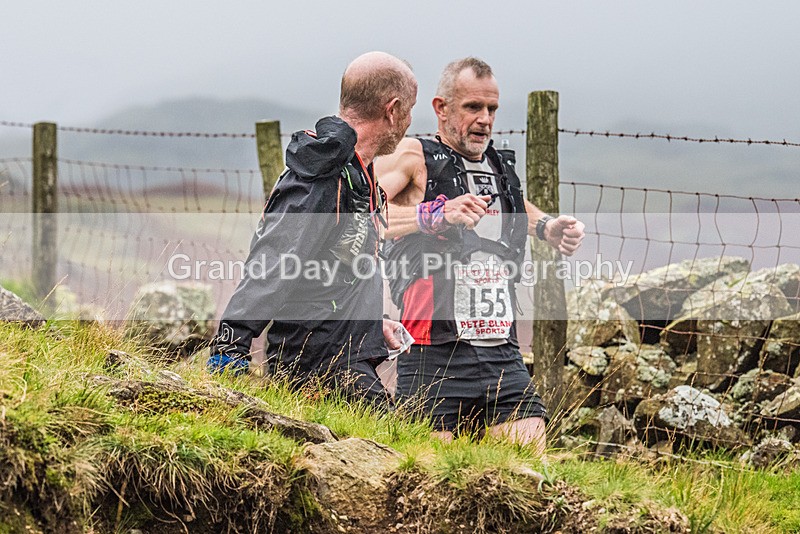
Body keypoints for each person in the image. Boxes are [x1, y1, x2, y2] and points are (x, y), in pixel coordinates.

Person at [375, 57, 584, 450]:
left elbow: (511, 203)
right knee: (430, 477)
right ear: (441, 108)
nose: (485, 120)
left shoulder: (497, 165)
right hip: (433, 353)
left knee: (528, 472)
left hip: (501, 352)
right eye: (473, 107)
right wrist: (434, 213)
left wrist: (546, 226)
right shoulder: (413, 156)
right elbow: (363, 213)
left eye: (492, 109)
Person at [207, 51, 418, 407]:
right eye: (410, 109)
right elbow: (274, 261)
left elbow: (337, 268)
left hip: (344, 356)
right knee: (389, 440)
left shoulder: (358, 172)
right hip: (315, 366)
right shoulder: (323, 176)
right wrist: (230, 347)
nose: (410, 121)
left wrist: (371, 324)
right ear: (393, 110)